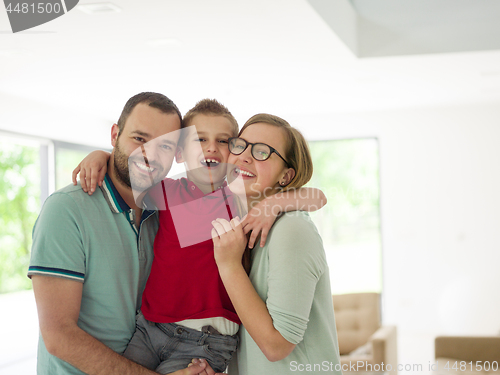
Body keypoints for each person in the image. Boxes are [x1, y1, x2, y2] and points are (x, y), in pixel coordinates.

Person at [73, 99, 328, 373]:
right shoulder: (166, 192)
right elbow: (126, 175)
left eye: (224, 141)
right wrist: (102, 155)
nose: (211, 148)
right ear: (180, 154)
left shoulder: (239, 199)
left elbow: (318, 197)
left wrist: (273, 203)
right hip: (151, 326)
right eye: (200, 139)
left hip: (205, 341)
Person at [28, 92, 219, 375]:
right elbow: (59, 336)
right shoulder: (66, 210)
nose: (150, 154)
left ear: (176, 155)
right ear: (115, 135)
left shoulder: (167, 211)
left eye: (164, 146)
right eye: (139, 139)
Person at [211, 114, 343, 375]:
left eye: (262, 152)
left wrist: (228, 266)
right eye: (241, 145)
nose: (245, 157)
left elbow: (276, 346)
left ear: (286, 176)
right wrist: (105, 157)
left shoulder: (292, 229)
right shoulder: (234, 220)